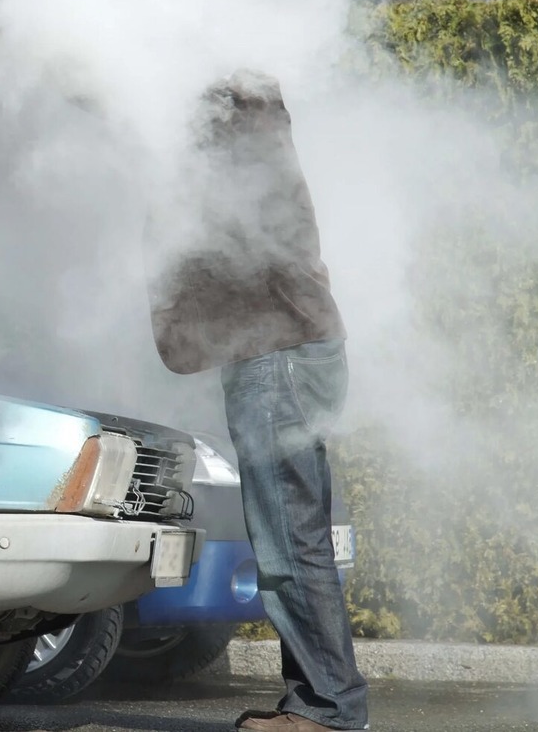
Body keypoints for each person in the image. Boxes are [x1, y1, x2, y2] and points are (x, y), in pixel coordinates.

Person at [145, 70, 369, 732]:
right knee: (295, 541)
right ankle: (320, 701)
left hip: (277, 361)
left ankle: (328, 709)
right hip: (283, 354)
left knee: (290, 545)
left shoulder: (237, 130)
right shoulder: (258, 133)